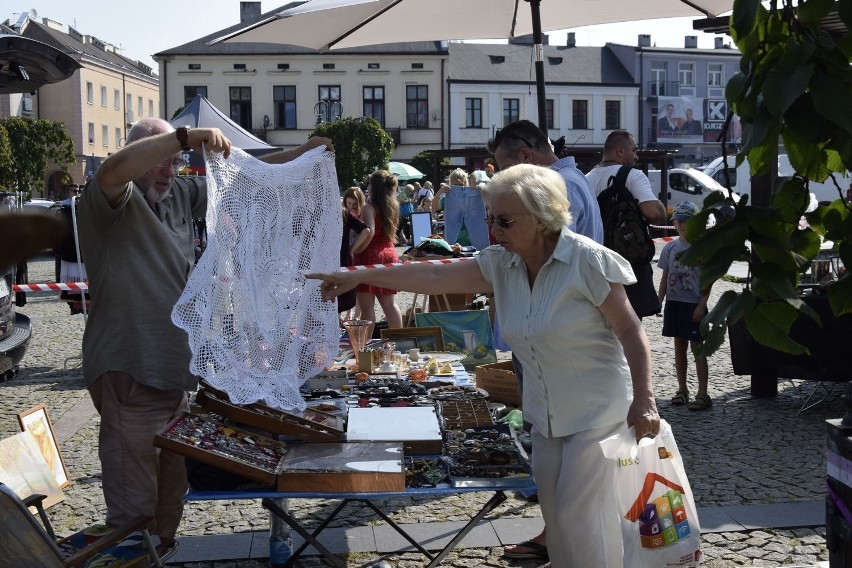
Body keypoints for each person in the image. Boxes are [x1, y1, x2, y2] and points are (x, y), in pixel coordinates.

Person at [308, 164, 660, 568]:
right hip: (546, 418)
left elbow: (632, 332)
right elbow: (433, 278)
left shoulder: (587, 260)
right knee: (558, 526)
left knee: (582, 520)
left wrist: (646, 398)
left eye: (505, 220)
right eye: (490, 218)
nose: (493, 229)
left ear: (542, 217)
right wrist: (357, 276)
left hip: (598, 414)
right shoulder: (501, 263)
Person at [76, 117, 333, 559]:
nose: (168, 169)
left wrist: (303, 153)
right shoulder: (108, 200)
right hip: (128, 366)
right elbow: (113, 170)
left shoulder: (177, 194)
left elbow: (249, 174)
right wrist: (185, 139)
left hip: (175, 371)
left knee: (170, 492)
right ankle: (131, 555)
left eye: (175, 162)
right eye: (161, 160)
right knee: (133, 500)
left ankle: (162, 550)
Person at [488, 120, 605, 560]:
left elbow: (553, 262)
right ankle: (557, 532)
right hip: (559, 337)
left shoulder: (560, 188)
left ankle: (559, 536)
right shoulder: (572, 181)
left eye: (501, 170)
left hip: (561, 340)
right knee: (553, 446)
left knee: (565, 452)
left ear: (525, 158)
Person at [586, 130, 667, 318]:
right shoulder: (632, 176)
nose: (636, 155)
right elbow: (654, 213)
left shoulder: (586, 178)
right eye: (634, 150)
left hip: (594, 264)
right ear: (620, 151)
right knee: (630, 327)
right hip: (626, 263)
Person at [487, 120, 603, 244]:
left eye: (507, 169)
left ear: (526, 155)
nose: (506, 177)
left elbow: (558, 250)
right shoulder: (573, 176)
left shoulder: (557, 185)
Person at [657, 201, 711, 411]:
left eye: (687, 221)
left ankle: (703, 393)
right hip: (675, 303)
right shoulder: (670, 247)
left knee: (698, 348)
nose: (682, 224)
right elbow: (665, 276)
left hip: (693, 304)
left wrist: (701, 305)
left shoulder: (701, 248)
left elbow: (708, 279)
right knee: (679, 347)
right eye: (678, 220)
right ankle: (682, 389)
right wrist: (659, 300)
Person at [353, 170, 403, 336]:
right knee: (389, 304)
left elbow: (370, 231)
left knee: (367, 309)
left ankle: (365, 346)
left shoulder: (368, 208)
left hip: (370, 256)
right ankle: (401, 341)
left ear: (373, 187)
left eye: (368, 184)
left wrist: (355, 249)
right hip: (389, 254)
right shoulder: (393, 207)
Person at [442, 168, 490, 250]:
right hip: (467, 195)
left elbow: (489, 202)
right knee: (478, 226)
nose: (458, 187)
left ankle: (450, 250)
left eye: (460, 184)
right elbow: (434, 207)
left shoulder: (477, 190)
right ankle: (483, 251)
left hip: (469, 195)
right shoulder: (446, 193)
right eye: (455, 185)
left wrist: (481, 190)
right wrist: (441, 191)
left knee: (452, 228)